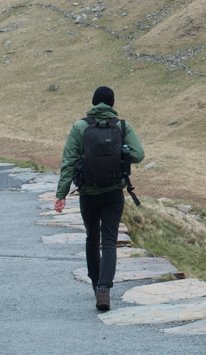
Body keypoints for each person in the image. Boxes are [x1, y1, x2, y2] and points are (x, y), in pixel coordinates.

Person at [54, 86, 144, 311]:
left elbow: (68, 162)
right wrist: (120, 155)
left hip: (88, 193)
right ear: (112, 104)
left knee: (92, 238)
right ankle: (105, 290)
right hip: (114, 192)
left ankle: (95, 284)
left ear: (94, 103)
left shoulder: (80, 127)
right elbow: (139, 155)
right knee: (110, 240)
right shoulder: (123, 126)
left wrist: (61, 195)